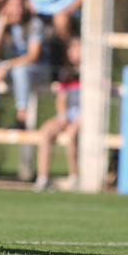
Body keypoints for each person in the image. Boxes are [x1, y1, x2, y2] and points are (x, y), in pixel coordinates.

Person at [0, 0, 48, 129]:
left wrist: (7, 65)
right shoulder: (0, 23)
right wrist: (1, 25)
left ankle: (21, 120)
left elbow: (33, 56)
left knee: (20, 70)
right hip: (12, 67)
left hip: (38, 69)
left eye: (20, 5)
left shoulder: (34, 23)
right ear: (5, 7)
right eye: (13, 6)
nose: (18, 10)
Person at [33, 38, 81, 192]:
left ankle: (74, 177)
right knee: (46, 131)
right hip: (69, 114)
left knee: (72, 133)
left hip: (86, 116)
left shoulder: (93, 71)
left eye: (77, 48)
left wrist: (78, 121)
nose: (74, 52)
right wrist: (62, 115)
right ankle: (43, 178)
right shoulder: (66, 72)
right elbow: (61, 98)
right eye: (72, 48)